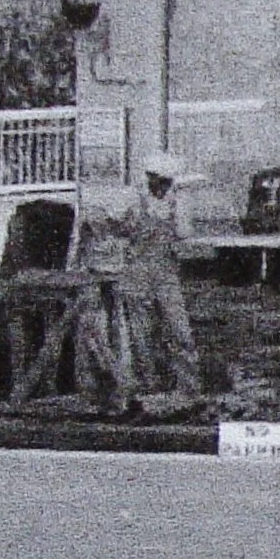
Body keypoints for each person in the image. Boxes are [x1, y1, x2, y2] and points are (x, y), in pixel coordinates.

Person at [117, 153, 203, 397]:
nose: (164, 187)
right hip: (138, 275)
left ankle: (188, 387)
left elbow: (184, 232)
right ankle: (149, 387)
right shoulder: (134, 201)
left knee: (180, 330)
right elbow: (120, 231)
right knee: (142, 336)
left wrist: (180, 202)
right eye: (161, 181)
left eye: (169, 183)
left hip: (166, 274)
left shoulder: (173, 202)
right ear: (151, 178)